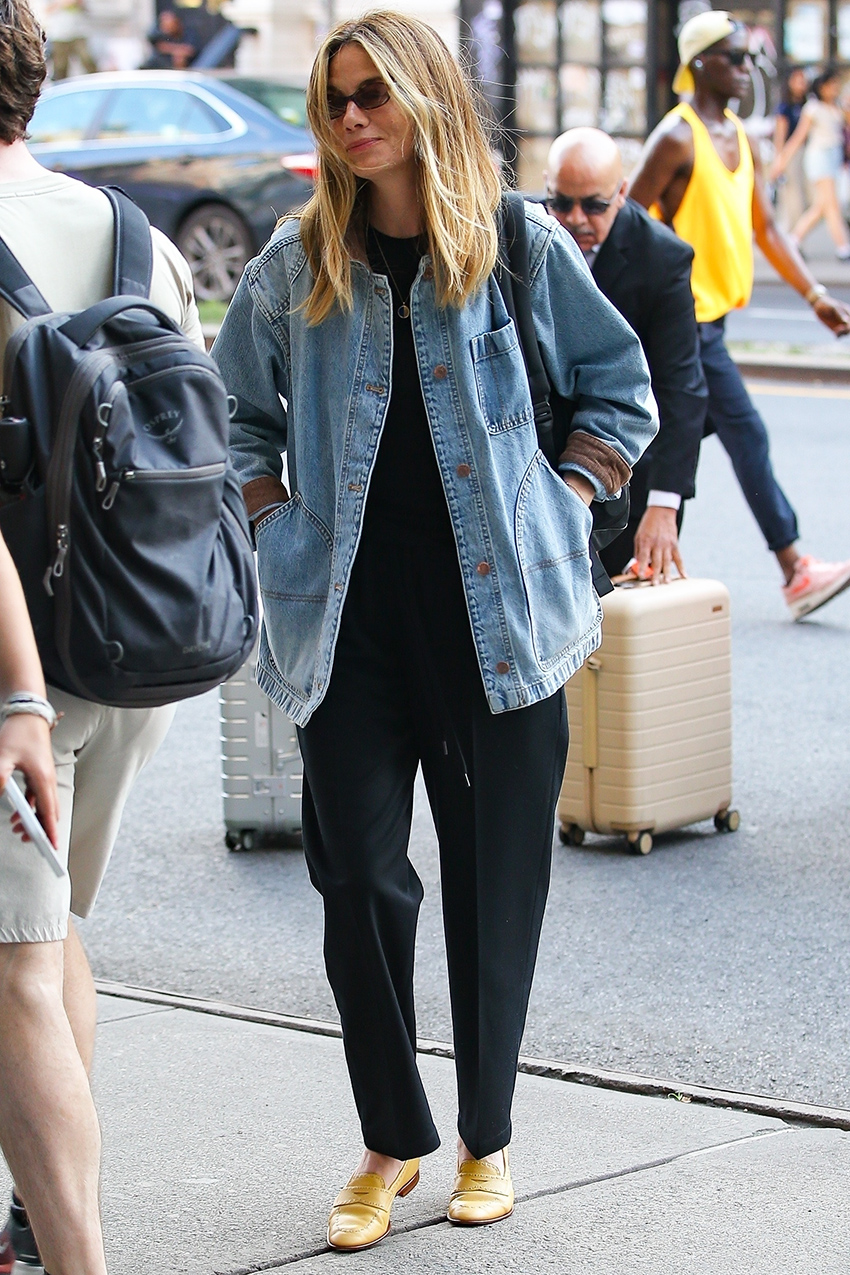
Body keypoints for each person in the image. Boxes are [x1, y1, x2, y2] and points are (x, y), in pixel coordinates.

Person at [214, 8, 656, 1252]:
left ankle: (486, 1138)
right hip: (345, 616)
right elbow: (232, 414)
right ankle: (390, 1139)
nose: (352, 117)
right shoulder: (299, 259)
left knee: (491, 884)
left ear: (424, 99)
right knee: (355, 875)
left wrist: (564, 501)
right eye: (335, 98)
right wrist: (272, 518)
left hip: (497, 612)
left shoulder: (513, 243)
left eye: (373, 93)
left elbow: (619, 388)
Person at [0, 2, 204, 1272]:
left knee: (13, 972)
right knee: (53, 930)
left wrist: (18, 696)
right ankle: (39, 1214)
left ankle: (74, 1257)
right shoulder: (138, 236)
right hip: (138, 642)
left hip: (15, 671)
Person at [629, 10, 850, 620]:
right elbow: (624, 223)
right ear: (699, 63)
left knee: (668, 441)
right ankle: (795, 569)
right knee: (745, 431)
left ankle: (636, 557)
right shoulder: (676, 138)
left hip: (715, 322)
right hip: (683, 325)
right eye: (734, 57)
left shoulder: (739, 137)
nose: (747, 68)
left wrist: (814, 296)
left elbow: (767, 228)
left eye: (750, 57)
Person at [545, 127, 707, 581]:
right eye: (561, 202)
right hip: (544, 470)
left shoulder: (663, 259)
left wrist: (664, 506)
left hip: (628, 477)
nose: (575, 218)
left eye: (594, 205)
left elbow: (681, 388)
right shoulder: (524, 233)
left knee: (615, 614)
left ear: (621, 192)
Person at [771, 68, 850, 258]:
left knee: (821, 205)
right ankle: (843, 247)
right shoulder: (811, 108)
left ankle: (794, 239)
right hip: (819, 157)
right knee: (830, 203)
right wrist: (780, 160)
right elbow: (797, 137)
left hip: (834, 157)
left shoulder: (835, 107)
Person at [771, 68, 810, 232]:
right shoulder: (785, 107)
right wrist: (779, 159)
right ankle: (791, 235)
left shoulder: (807, 105)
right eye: (797, 80)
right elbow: (780, 135)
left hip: (805, 155)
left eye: (803, 81)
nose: (801, 84)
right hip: (790, 155)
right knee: (792, 199)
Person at [43, 0, 95, 79]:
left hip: (78, 32)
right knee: (61, 66)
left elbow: (88, 9)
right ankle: (60, 83)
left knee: (87, 59)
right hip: (59, 35)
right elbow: (46, 10)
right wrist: (63, 3)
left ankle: (94, 79)